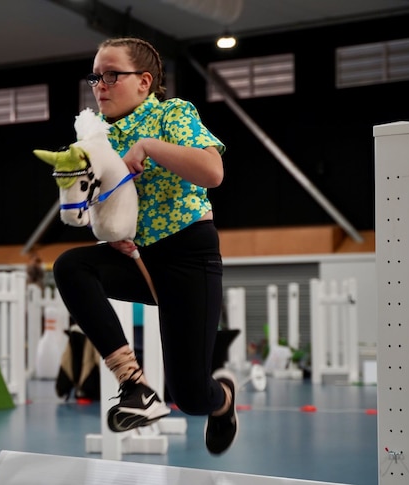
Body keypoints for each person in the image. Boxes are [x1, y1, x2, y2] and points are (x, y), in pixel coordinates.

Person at [52, 37, 236, 455]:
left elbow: (212, 172)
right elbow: (99, 208)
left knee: (190, 397)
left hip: (189, 255)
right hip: (140, 259)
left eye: (112, 75)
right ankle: (135, 387)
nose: (100, 85)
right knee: (71, 266)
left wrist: (148, 147)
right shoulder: (99, 140)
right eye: (95, 76)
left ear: (144, 82)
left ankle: (222, 398)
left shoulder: (173, 113)